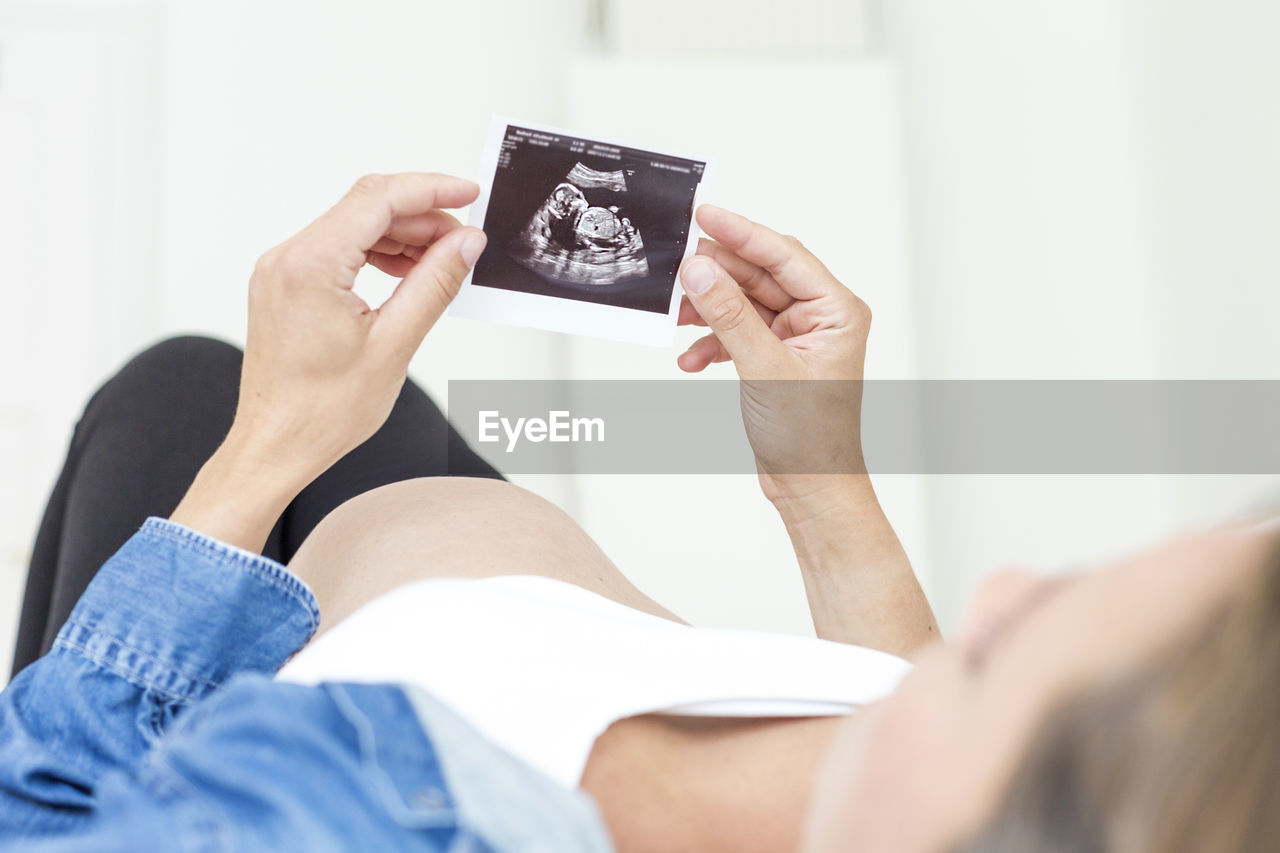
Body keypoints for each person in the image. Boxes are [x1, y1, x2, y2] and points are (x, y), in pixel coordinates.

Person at [2, 172, 1276, 852]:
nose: (996, 595)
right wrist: (813, 472)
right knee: (226, 387)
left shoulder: (326, 817)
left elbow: (43, 813)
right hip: (457, 557)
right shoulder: (918, 779)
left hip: (267, 650)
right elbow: (903, 701)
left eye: (1000, 660)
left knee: (180, 392)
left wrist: (265, 451)